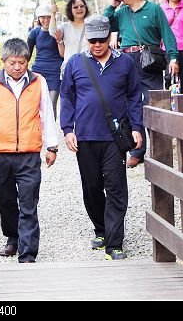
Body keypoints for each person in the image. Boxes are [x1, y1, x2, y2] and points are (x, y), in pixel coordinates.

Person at [0, 38, 58, 263]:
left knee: (28, 203)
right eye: (12, 63)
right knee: (5, 200)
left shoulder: (39, 82)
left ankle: (27, 254)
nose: (17, 67)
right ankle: (13, 237)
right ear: (3, 61)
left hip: (28, 155)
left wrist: (52, 146)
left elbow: (47, 115)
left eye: (22, 62)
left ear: (28, 61)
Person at [60, 14, 143, 261]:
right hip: (85, 137)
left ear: (110, 37)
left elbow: (134, 96)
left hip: (114, 138)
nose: (97, 45)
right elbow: (67, 97)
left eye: (102, 40)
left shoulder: (125, 63)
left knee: (116, 187)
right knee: (92, 186)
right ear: (86, 38)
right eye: (93, 40)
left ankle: (115, 242)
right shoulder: (75, 63)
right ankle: (101, 228)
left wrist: (137, 127)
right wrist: (67, 129)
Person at [103, 0, 179, 168]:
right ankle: (137, 150)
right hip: (126, 59)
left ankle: (161, 148)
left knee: (153, 102)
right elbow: (103, 24)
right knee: (129, 104)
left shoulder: (154, 10)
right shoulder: (120, 12)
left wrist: (173, 58)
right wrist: (112, 6)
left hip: (149, 59)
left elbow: (167, 35)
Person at [27, 3, 63, 119]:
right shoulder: (35, 32)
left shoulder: (58, 31)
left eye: (49, 17)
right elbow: (27, 53)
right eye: (43, 17)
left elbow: (63, 53)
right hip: (38, 70)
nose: (46, 20)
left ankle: (51, 134)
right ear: (38, 19)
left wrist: (59, 40)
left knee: (51, 104)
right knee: (36, 103)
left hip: (55, 71)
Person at [50, 0, 90, 79]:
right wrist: (53, 14)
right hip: (70, 69)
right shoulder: (65, 26)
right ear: (70, 10)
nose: (79, 8)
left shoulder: (91, 25)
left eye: (82, 6)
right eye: (75, 7)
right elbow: (52, 32)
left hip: (87, 69)